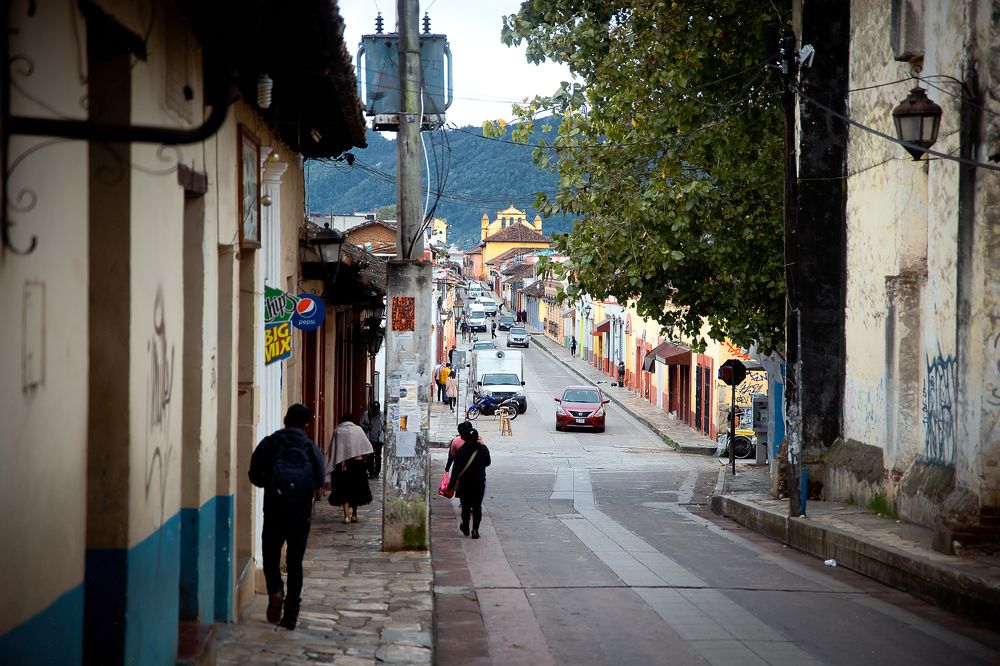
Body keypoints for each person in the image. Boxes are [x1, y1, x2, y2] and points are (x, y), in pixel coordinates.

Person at [248, 403, 325, 630]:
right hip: (300, 514)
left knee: (270, 557)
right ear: (307, 424)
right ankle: (291, 614)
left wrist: (271, 484)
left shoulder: (271, 443)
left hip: (274, 509)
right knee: (295, 563)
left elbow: (254, 474)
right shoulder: (310, 448)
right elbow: (320, 480)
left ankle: (275, 590)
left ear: (285, 420)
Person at [326, 413, 374, 525]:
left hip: (343, 466)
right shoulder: (358, 430)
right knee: (356, 490)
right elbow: (367, 447)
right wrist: (363, 459)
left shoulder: (338, 431)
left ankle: (346, 516)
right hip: (358, 464)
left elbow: (333, 450)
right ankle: (354, 515)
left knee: (344, 490)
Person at [447, 426, 491, 539]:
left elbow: (456, 469)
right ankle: (475, 530)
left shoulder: (462, 451)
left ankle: (465, 526)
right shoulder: (483, 449)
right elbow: (488, 462)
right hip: (479, 482)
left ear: (465, 438)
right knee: (477, 506)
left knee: (465, 506)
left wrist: (451, 485)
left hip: (465, 483)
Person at [360, 401, 384, 479]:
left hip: (378, 439)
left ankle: (377, 472)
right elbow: (360, 424)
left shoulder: (382, 415)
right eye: (373, 410)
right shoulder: (366, 414)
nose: (375, 412)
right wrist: (367, 427)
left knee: (378, 456)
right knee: (370, 456)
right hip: (369, 439)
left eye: (376, 410)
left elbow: (385, 425)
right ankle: (371, 472)